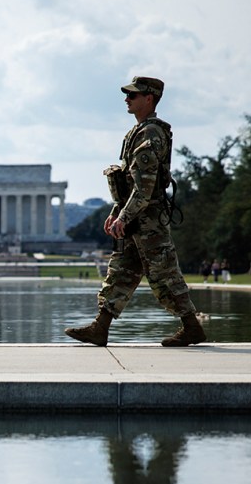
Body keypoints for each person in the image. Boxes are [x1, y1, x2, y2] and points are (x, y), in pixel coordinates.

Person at [65, 76, 206, 347]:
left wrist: (124, 216)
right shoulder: (136, 132)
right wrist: (117, 210)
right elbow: (129, 183)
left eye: (133, 95)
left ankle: (192, 327)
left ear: (149, 98)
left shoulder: (151, 133)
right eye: (127, 95)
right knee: (121, 271)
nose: (127, 100)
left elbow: (145, 187)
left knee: (164, 273)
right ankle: (100, 327)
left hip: (148, 219)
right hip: (136, 218)